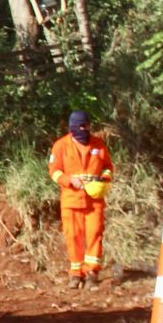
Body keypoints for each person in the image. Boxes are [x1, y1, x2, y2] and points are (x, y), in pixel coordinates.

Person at [48, 110, 114, 288]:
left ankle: (92, 272)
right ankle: (76, 273)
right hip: (71, 199)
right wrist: (69, 181)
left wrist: (104, 180)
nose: (85, 129)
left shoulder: (98, 145)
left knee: (95, 235)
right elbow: (54, 171)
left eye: (87, 126)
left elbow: (108, 167)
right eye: (81, 126)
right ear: (72, 127)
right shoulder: (61, 146)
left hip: (94, 200)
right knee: (73, 236)